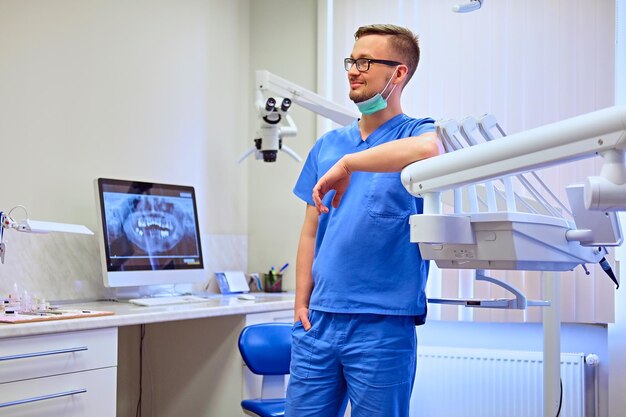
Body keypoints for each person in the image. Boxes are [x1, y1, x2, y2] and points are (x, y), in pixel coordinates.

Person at [286, 24, 443, 417]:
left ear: (399, 73)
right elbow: (311, 230)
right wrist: (301, 301)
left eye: (366, 62)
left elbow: (433, 147)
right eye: (352, 61)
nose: (354, 70)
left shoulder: (417, 134)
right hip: (318, 321)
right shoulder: (327, 145)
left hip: (383, 324)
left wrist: (351, 163)